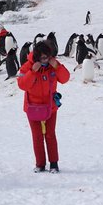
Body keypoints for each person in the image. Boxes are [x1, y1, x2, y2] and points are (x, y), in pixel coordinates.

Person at [17, 41, 69, 173]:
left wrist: (57, 66)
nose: (45, 60)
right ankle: (40, 164)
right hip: (33, 107)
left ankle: (54, 163)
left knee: (50, 135)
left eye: (47, 57)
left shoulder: (53, 65)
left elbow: (65, 78)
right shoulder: (27, 67)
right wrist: (32, 71)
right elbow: (22, 85)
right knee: (37, 136)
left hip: (50, 107)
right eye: (42, 58)